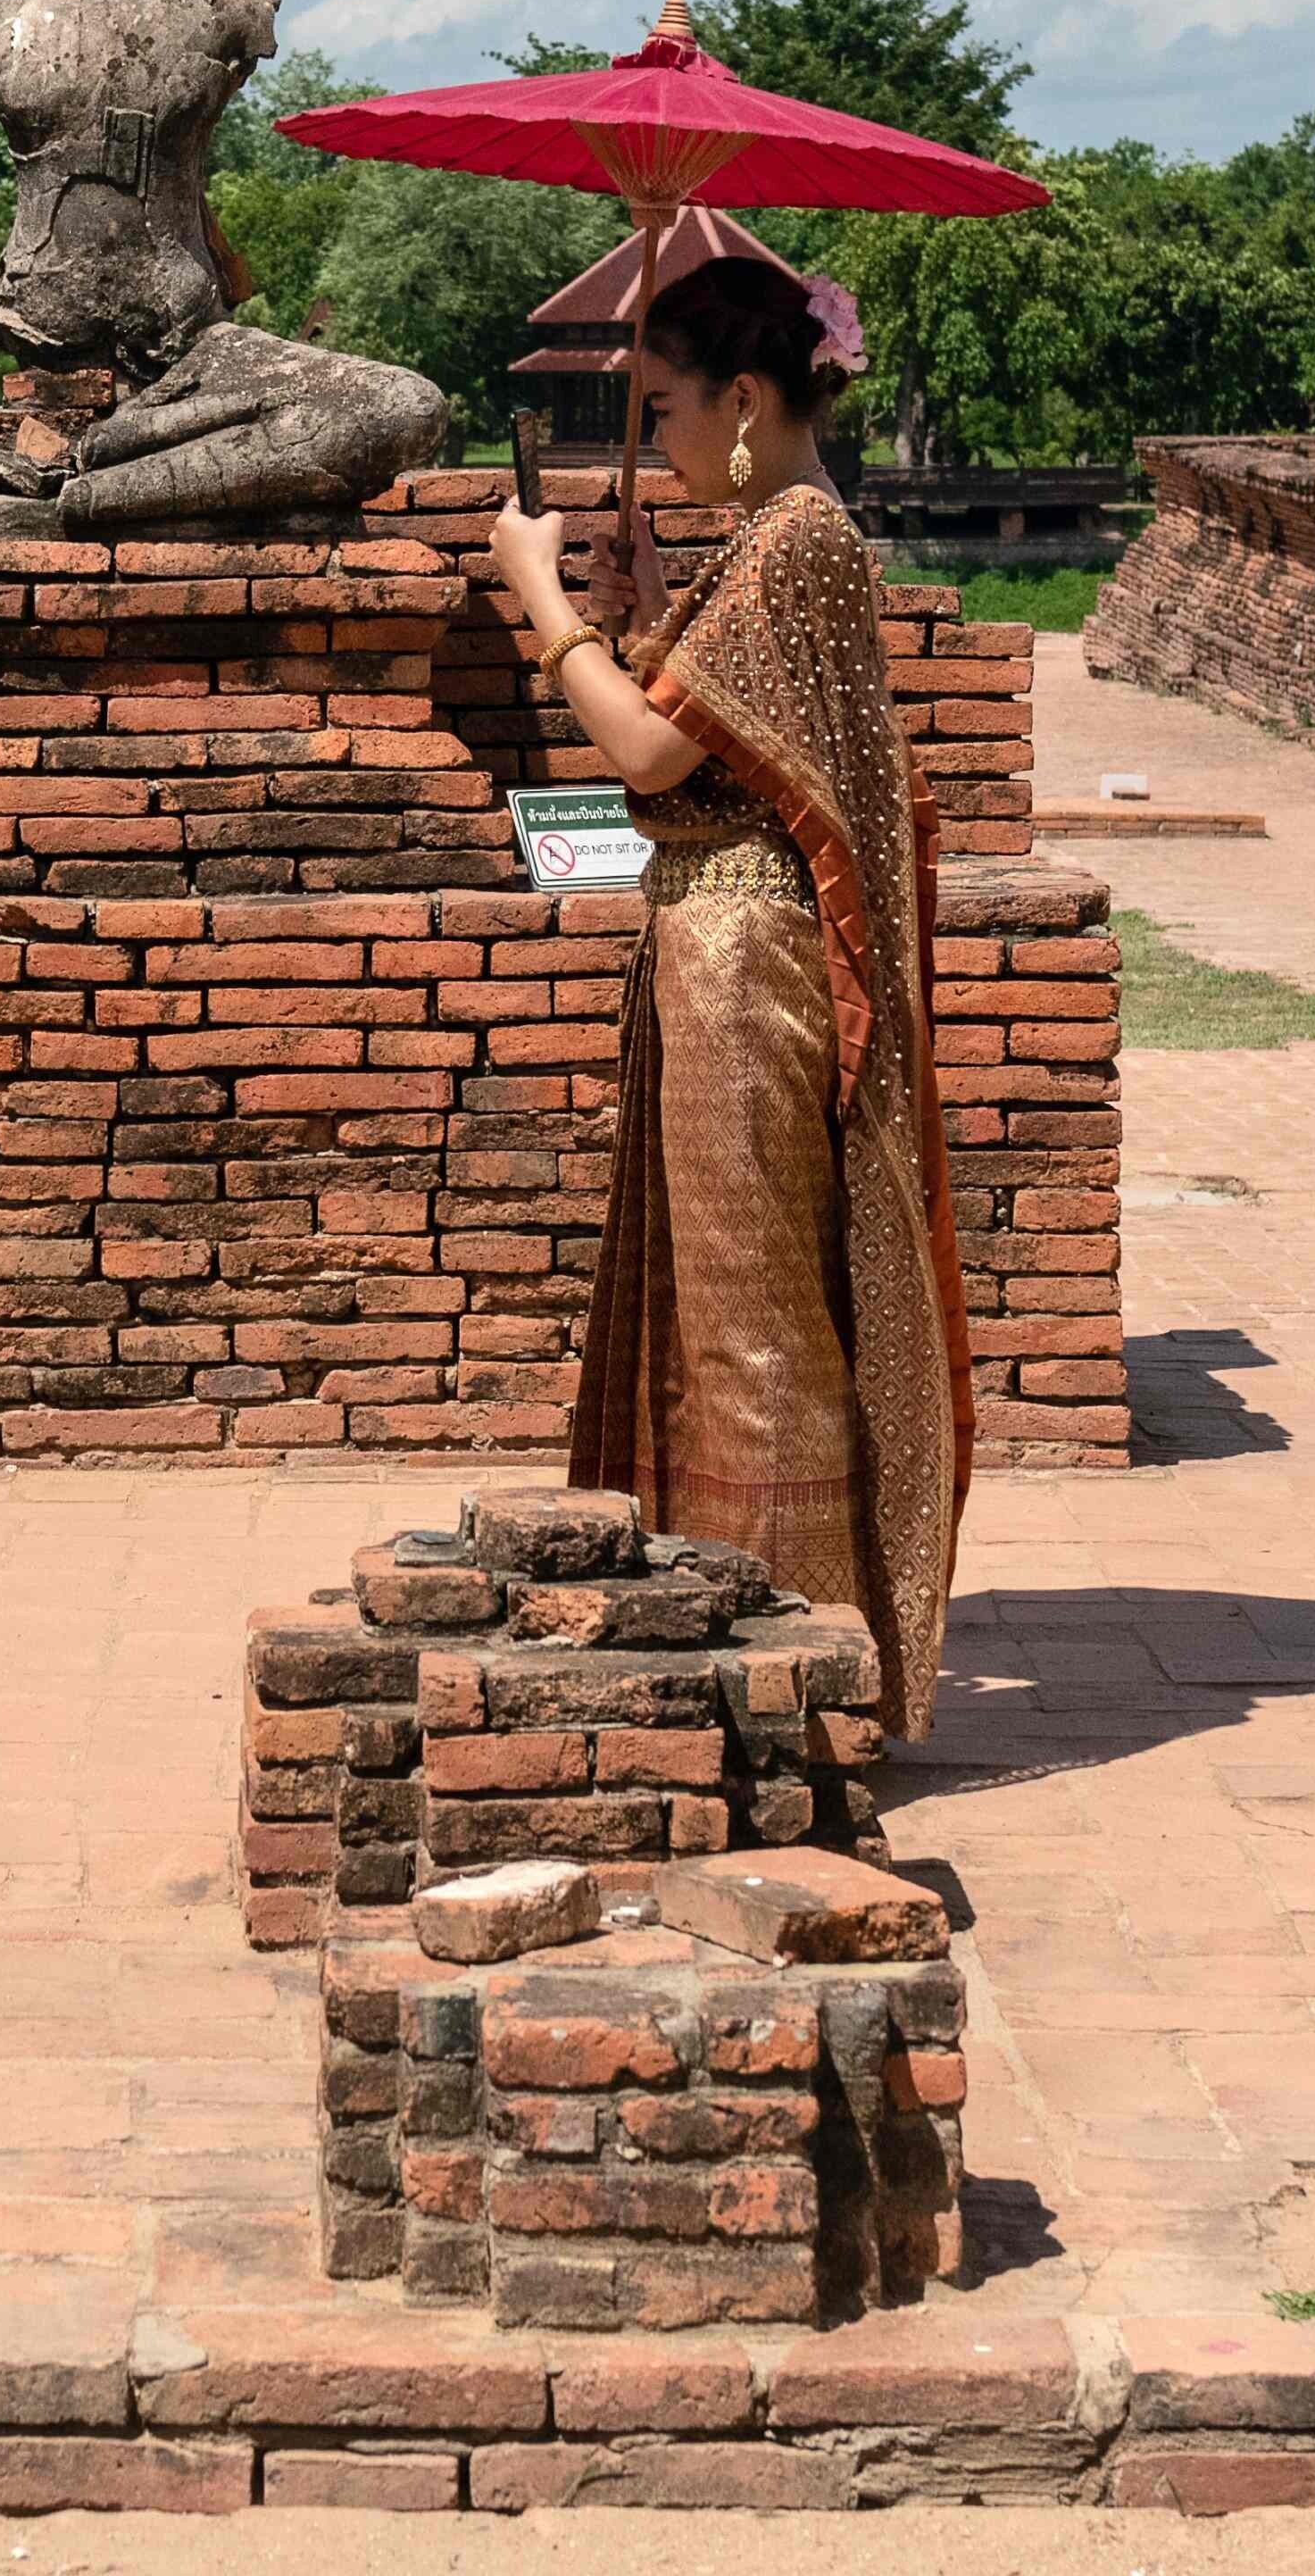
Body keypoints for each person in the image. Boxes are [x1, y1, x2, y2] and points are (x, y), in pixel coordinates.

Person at [484, 254, 972, 1738]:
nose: (659, 438)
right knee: (723, 1321)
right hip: (720, 952)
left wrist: (538, 602)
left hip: (750, 966)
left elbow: (644, 761)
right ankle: (746, 1634)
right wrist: (641, 614)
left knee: (759, 1333)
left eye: (665, 405)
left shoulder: (795, 539)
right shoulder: (767, 540)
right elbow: (704, 747)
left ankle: (792, 1684)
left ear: (747, 402)